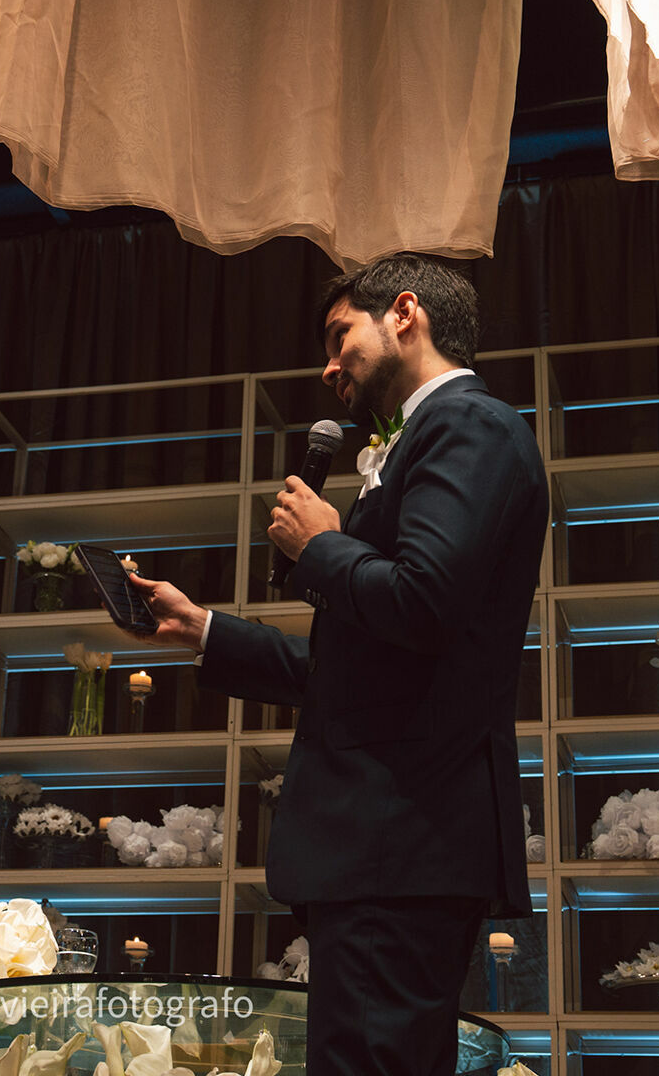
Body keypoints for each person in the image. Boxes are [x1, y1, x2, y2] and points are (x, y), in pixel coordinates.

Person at [131, 255, 547, 1076]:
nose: (327, 366)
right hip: (386, 840)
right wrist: (206, 629)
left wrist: (321, 544)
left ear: (404, 313)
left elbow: (424, 601)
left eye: (338, 335)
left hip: (404, 830)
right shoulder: (428, 435)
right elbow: (358, 670)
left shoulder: (468, 425)